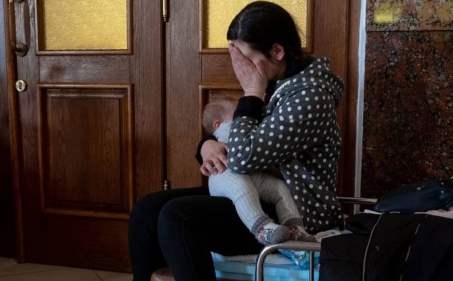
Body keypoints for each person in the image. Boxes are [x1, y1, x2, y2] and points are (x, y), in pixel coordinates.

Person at [128, 2, 344, 280]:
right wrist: (206, 146)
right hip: (255, 190)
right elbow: (233, 131)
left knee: (178, 217)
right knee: (147, 209)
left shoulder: (309, 96)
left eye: (247, 59)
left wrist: (252, 92)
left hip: (295, 212)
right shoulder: (278, 80)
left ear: (277, 51)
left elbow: (243, 157)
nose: (241, 70)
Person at [202, 100, 314, 244]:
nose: (242, 115)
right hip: (224, 175)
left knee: (280, 188)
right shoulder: (224, 130)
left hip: (254, 176)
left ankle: (293, 227)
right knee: (241, 188)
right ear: (218, 125)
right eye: (237, 113)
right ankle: (262, 229)